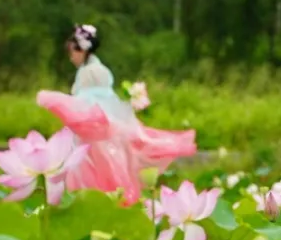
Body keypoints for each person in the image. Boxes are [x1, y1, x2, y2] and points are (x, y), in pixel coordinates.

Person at [37, 24, 196, 205]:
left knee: (94, 172)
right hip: (98, 130)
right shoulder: (95, 69)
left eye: (73, 51)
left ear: (82, 50)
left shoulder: (91, 72)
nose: (71, 57)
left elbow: (90, 103)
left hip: (96, 132)